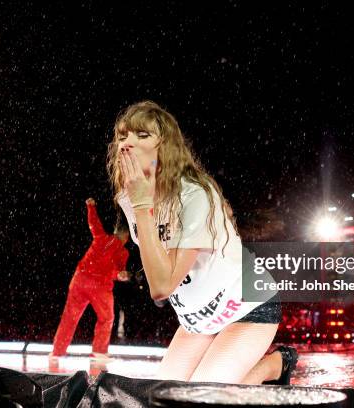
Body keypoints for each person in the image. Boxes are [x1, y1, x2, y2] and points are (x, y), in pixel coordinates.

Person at [108, 100, 297, 384]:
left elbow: (161, 287)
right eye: (122, 136)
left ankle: (275, 364)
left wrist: (143, 204)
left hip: (246, 304)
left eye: (141, 135)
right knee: (164, 395)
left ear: (165, 146)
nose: (126, 143)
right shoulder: (128, 196)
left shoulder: (194, 194)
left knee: (204, 397)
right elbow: (156, 255)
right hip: (199, 320)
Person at [50, 198, 130, 360]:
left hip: (80, 280)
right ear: (127, 236)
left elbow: (94, 223)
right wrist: (122, 275)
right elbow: (117, 272)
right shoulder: (123, 251)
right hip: (99, 287)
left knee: (69, 318)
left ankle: (57, 352)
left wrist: (90, 207)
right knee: (106, 318)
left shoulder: (101, 238)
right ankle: (99, 351)